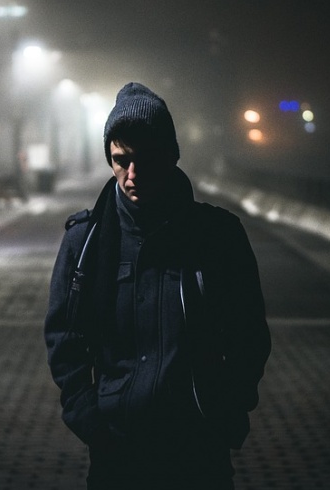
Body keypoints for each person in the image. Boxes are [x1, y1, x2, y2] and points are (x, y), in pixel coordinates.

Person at [44, 82, 271, 489]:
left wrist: (226, 411)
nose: (132, 175)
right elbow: (64, 339)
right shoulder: (85, 241)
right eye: (120, 160)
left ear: (171, 156)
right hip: (116, 447)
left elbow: (249, 334)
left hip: (197, 447)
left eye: (145, 160)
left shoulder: (218, 236)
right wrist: (90, 422)